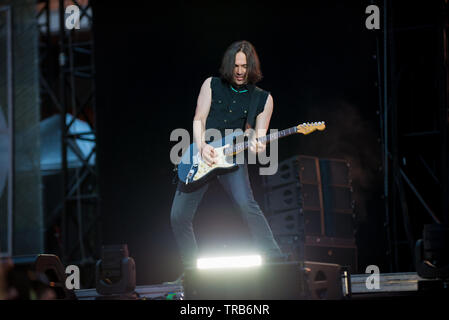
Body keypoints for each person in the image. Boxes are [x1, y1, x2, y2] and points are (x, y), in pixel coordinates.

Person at [169, 40, 284, 277]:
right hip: (203, 156)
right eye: (236, 66)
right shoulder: (210, 84)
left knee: (246, 204)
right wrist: (201, 146)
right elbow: (199, 118)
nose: (240, 71)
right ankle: (191, 271)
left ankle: (276, 262)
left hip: (232, 157)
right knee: (178, 216)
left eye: (244, 66)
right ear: (228, 66)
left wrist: (257, 143)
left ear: (251, 66)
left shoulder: (262, 99)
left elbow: (258, 137)